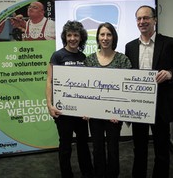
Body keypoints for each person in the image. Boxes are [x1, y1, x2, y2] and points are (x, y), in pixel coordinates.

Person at [125, 5, 173, 178]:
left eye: (146, 18)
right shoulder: (129, 46)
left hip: (161, 106)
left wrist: (169, 74)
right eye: (139, 18)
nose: (142, 22)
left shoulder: (170, 43)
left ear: (155, 20)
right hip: (138, 107)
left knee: (161, 149)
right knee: (139, 148)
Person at [45, 20, 93, 178]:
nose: (72, 38)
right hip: (62, 111)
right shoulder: (57, 56)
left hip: (80, 112)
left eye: (76, 35)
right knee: (65, 145)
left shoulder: (83, 57)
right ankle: (67, 174)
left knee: (83, 145)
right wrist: (49, 105)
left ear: (81, 38)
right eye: (69, 35)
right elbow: (49, 81)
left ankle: (87, 173)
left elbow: (86, 86)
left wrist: (87, 109)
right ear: (65, 37)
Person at [84, 22, 132, 178]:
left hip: (114, 116)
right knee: (97, 148)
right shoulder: (89, 60)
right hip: (95, 115)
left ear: (113, 37)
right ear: (97, 37)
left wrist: (120, 112)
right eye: (102, 34)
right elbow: (85, 88)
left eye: (109, 34)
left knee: (113, 149)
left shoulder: (123, 60)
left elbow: (127, 90)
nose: (105, 38)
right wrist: (84, 109)